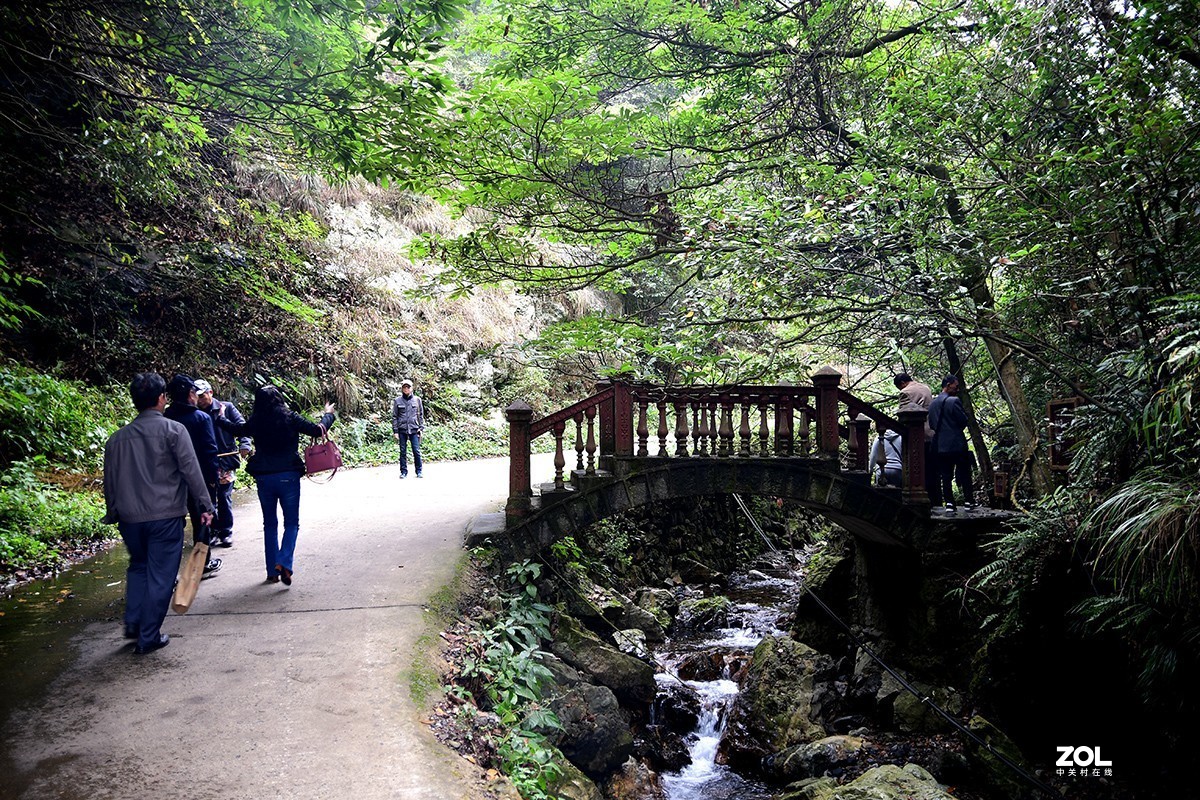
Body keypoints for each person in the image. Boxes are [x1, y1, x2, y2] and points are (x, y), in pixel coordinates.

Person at [102, 372, 215, 654]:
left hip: (129, 518)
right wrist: (206, 506)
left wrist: (112, 511)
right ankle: (148, 636)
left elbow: (110, 481)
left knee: (139, 567)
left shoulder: (116, 439)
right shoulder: (174, 431)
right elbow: (192, 471)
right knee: (161, 575)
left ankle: (134, 624)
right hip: (164, 516)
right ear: (161, 398)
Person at [216, 385, 335, 585]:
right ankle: (285, 562)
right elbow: (317, 430)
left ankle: (272, 570)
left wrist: (220, 416)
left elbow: (236, 429)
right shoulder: (290, 417)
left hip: (264, 477)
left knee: (270, 524)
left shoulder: (256, 421)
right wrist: (328, 415)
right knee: (291, 523)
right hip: (288, 474)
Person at [164, 373, 223, 578]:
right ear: (191, 394)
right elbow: (209, 452)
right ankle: (202, 564)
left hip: (171, 481)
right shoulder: (201, 418)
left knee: (173, 523)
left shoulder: (165, 418)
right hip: (199, 480)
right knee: (202, 520)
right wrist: (213, 481)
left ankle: (169, 570)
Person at [195, 379, 251, 549]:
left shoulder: (226, 408)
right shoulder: (195, 413)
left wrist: (245, 445)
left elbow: (243, 428)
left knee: (224, 497)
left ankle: (226, 531)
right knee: (208, 500)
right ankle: (212, 531)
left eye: (202, 396)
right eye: (197, 397)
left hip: (225, 461)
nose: (200, 400)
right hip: (205, 463)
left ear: (210, 393)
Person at [926, 374, 976, 512]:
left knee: (946, 475)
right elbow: (963, 420)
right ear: (948, 385)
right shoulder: (954, 401)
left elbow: (931, 424)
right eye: (956, 385)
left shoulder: (933, 404)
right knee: (964, 472)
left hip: (940, 445)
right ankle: (968, 501)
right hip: (956, 443)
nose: (957, 388)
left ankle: (949, 503)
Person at [893, 372, 941, 506]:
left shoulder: (905, 393)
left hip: (916, 436)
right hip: (931, 433)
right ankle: (936, 501)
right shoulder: (926, 388)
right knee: (933, 471)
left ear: (902, 383)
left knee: (917, 469)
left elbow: (903, 416)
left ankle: (917, 501)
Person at [391, 378, 425, 479]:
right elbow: (394, 416)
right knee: (402, 451)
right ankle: (403, 472)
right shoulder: (397, 401)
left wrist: (421, 428)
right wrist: (395, 431)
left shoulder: (417, 400)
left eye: (408, 387)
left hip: (414, 429)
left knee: (416, 451)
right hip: (402, 430)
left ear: (412, 388)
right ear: (402, 389)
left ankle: (419, 471)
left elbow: (421, 415)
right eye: (404, 387)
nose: (406, 389)